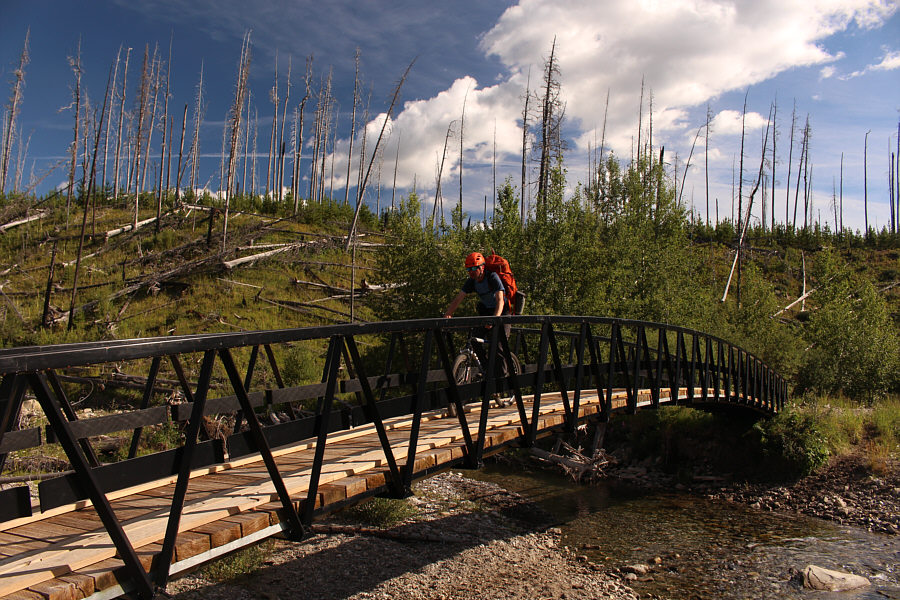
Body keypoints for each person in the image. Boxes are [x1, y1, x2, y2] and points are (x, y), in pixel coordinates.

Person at [443, 252, 509, 326]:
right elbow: (458, 299)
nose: (471, 272)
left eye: (474, 268)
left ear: (482, 267)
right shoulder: (471, 281)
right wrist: (448, 314)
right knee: (479, 331)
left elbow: (500, 301)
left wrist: (494, 319)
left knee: (502, 332)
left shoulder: (492, 277)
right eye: (469, 269)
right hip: (487, 310)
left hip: (502, 310)